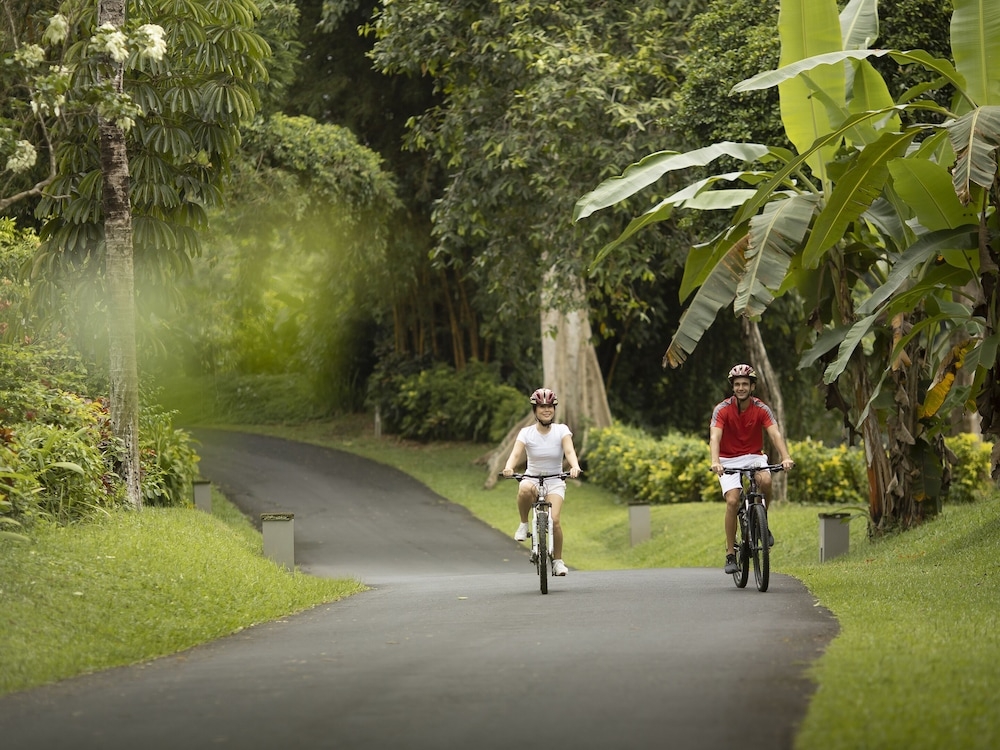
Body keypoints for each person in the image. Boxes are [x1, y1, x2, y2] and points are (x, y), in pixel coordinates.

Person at [709, 364, 794, 575]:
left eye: (745, 384)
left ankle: (762, 523)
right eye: (737, 384)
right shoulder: (722, 410)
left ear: (752, 386)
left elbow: (774, 434)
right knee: (732, 500)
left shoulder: (762, 408)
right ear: (733, 387)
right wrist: (715, 461)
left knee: (765, 481)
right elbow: (715, 437)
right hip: (727, 459)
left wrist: (785, 457)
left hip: (754, 456)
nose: (740, 388)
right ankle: (730, 553)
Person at [502, 388, 582, 577]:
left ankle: (558, 561)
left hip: (554, 480)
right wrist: (509, 468)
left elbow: (569, 451)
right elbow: (515, 454)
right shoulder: (526, 433)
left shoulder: (562, 430)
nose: (546, 410)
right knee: (523, 489)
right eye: (541, 406)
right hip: (532, 478)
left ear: (554, 409)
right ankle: (523, 524)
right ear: (535, 410)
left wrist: (574, 466)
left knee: (554, 521)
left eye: (549, 406)